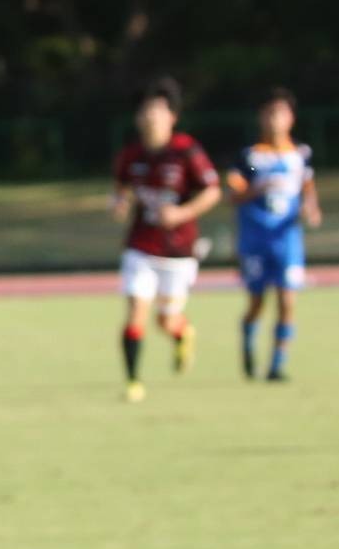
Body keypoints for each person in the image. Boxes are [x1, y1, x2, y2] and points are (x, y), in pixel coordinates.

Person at [109, 78, 221, 400]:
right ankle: (133, 382)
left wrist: (181, 214)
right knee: (135, 313)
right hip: (141, 246)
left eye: (158, 111)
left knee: (166, 320)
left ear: (172, 116)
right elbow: (120, 191)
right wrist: (118, 204)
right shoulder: (130, 155)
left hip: (178, 250)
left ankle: (182, 333)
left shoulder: (186, 151)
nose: (150, 117)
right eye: (145, 111)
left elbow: (212, 191)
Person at [226, 87, 321, 382]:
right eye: (269, 113)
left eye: (280, 113)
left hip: (287, 238)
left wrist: (311, 209)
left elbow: (307, 189)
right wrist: (258, 188)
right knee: (257, 302)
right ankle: (248, 340)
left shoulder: (300, 155)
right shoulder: (253, 157)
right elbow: (234, 190)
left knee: (287, 300)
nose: (274, 120)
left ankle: (277, 365)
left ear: (291, 118)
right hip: (256, 238)